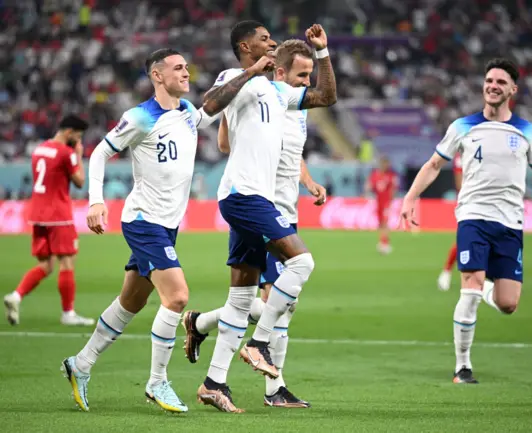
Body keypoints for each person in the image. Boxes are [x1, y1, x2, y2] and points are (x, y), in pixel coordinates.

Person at [60, 47, 270, 413]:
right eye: (177, 68)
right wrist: (96, 200)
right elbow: (99, 153)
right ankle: (158, 382)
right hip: (143, 222)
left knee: (132, 301)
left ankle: (80, 364)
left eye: (187, 67)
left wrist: (249, 72)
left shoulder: (188, 112)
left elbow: (213, 106)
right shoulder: (140, 117)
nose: (186, 73)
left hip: (167, 226)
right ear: (157, 76)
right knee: (176, 297)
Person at [188, 21, 336, 413]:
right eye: (264, 38)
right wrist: (252, 72)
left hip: (260, 200)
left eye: (272, 38)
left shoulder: (278, 91)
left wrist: (322, 52)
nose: (271, 41)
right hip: (244, 195)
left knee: (240, 299)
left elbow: (325, 96)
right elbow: (207, 107)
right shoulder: (238, 76)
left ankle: (213, 383)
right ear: (245, 46)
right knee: (302, 263)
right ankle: (259, 343)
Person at [400, 58, 532, 384]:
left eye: (500, 82)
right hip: (473, 217)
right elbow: (432, 164)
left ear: (513, 89)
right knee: (468, 289)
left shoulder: (527, 131)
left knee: (508, 303)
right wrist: (410, 197)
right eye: (489, 80)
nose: (493, 86)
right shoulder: (462, 127)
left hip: (511, 224)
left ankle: (484, 289)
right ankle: (462, 366)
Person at [4, 115, 94, 327]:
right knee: (67, 261)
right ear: (70, 132)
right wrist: (79, 155)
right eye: (78, 136)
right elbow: (80, 182)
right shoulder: (67, 153)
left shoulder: (39, 149)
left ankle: (16, 296)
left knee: (46, 264)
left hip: (37, 212)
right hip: (59, 214)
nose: (78, 141)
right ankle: (68, 313)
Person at [437, 152, 463, 291]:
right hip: (469, 202)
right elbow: (460, 184)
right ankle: (446, 272)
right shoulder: (461, 156)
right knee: (464, 239)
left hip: (488, 202)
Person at [365, 156, 398, 254]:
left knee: (385, 222)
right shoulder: (375, 175)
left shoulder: (391, 175)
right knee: (380, 223)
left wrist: (391, 200)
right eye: (384, 164)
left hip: (386, 202)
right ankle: (381, 242)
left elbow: (393, 188)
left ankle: (385, 243)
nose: (385, 166)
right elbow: (369, 185)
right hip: (378, 202)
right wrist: (367, 192)